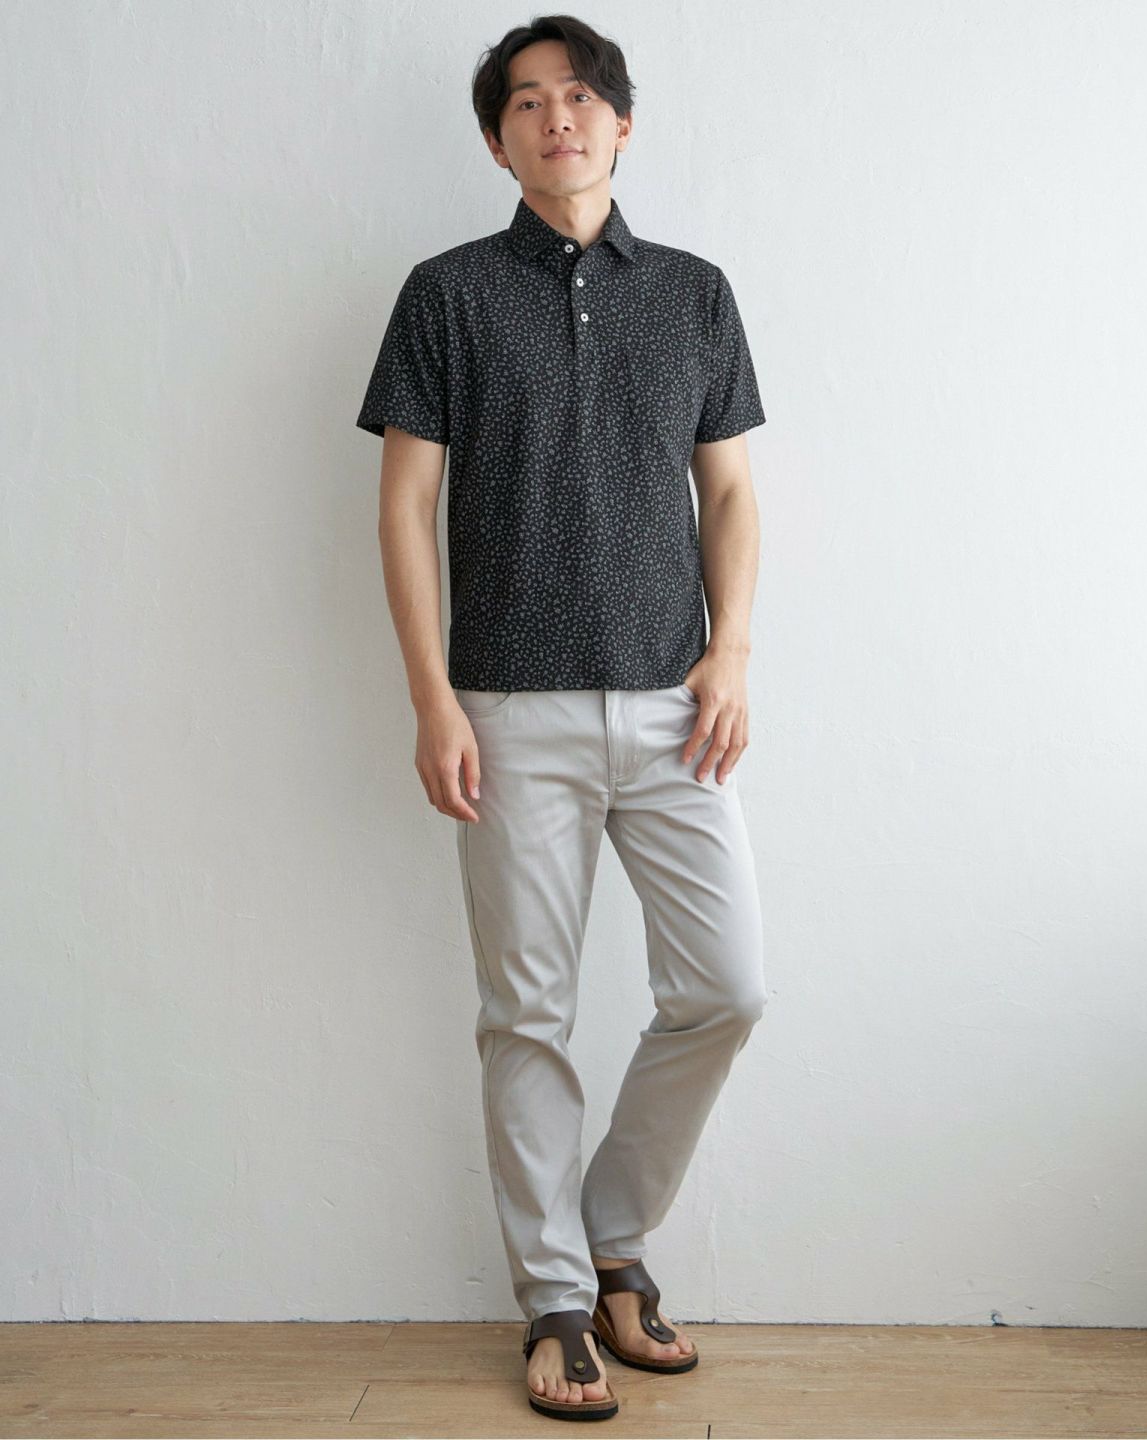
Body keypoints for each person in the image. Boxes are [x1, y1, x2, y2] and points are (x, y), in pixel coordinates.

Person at [356, 14, 769, 1423]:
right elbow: (406, 507)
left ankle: (610, 1237)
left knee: (727, 988)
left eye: (582, 95)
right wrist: (432, 698)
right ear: (498, 141)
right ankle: (553, 1299)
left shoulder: (697, 294)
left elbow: (731, 488)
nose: (558, 117)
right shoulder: (447, 295)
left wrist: (733, 653)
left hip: (676, 706)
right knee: (526, 1014)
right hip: (508, 709)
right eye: (527, 102)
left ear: (622, 123)